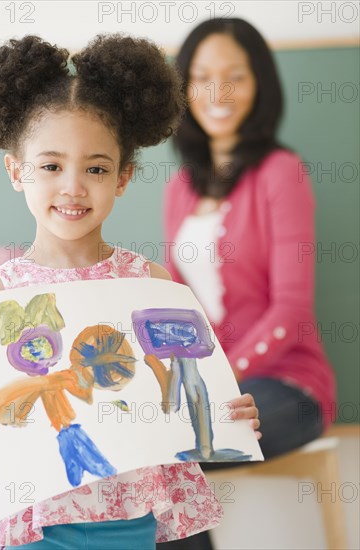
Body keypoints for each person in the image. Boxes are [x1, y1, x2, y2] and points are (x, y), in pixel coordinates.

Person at [0, 34, 262, 550]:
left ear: (122, 178)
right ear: (16, 171)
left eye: (95, 168)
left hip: (132, 524)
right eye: (51, 166)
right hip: (34, 530)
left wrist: (229, 417)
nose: (73, 186)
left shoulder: (150, 283)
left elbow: (181, 406)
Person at [159, 18, 336, 550]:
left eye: (235, 76)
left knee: (180, 453)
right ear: (184, 86)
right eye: (202, 76)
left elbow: (291, 307)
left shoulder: (282, 172)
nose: (218, 92)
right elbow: (177, 305)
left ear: (259, 84)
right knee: (154, 451)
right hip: (210, 389)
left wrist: (220, 380)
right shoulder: (180, 187)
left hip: (289, 387)